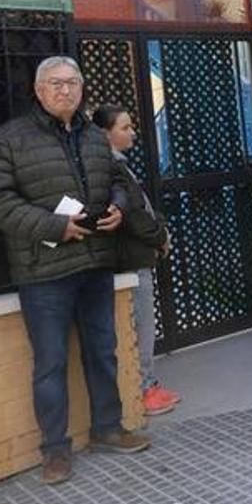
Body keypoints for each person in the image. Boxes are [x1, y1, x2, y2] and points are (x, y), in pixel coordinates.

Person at [0, 57, 149, 485]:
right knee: (51, 363)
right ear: (38, 91)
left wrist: (118, 208)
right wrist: (55, 226)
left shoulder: (93, 136)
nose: (65, 91)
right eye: (55, 84)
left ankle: (108, 428)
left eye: (72, 83)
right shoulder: (10, 138)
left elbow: (119, 182)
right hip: (44, 271)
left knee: (102, 352)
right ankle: (54, 451)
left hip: (95, 263)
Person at [91, 104, 181, 417]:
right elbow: (133, 214)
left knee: (144, 323)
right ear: (105, 133)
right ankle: (144, 389)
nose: (132, 133)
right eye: (125, 127)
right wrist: (160, 236)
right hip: (130, 258)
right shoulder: (108, 168)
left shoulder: (119, 164)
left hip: (137, 255)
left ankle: (149, 384)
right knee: (142, 325)